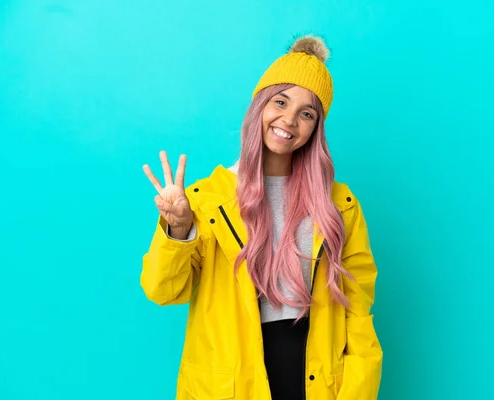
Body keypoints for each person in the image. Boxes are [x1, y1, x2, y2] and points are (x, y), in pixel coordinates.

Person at [141, 35, 383, 400]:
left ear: (316, 128)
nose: (289, 120)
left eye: (307, 113)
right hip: (232, 385)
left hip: (315, 381)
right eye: (280, 102)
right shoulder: (206, 201)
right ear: (259, 106)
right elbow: (163, 291)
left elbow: (359, 315)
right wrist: (178, 229)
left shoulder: (339, 205)